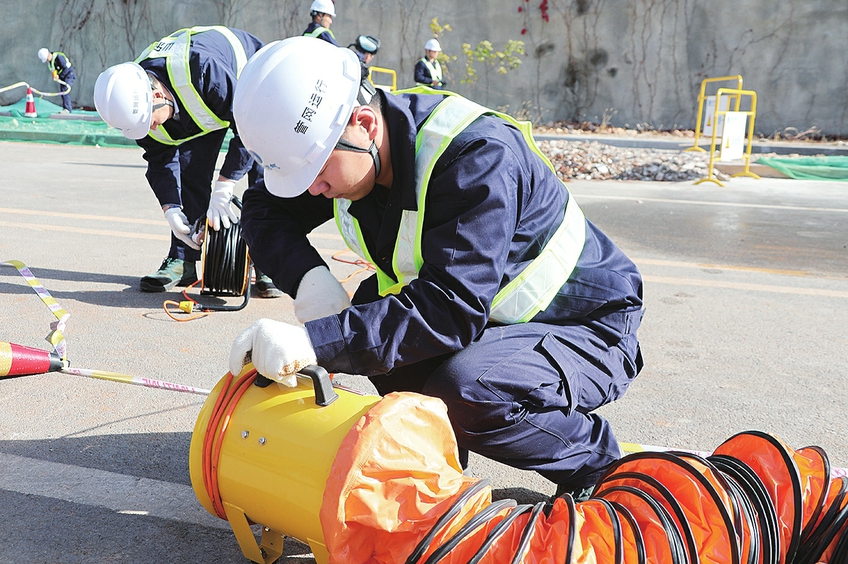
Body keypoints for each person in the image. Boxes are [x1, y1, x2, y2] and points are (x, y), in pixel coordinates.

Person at [228, 37, 645, 500]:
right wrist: (311, 283)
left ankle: (607, 470)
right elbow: (265, 212)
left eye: (314, 173)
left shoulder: (475, 157)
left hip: (588, 327)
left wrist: (317, 341)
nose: (311, 191)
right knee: (372, 319)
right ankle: (438, 469)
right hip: (495, 320)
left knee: (467, 388)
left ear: (363, 124)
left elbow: (450, 308)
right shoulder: (349, 154)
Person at [93, 25, 282, 297]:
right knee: (192, 169)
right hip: (199, 103)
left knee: (263, 171)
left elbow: (251, 130)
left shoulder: (206, 71)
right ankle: (183, 258)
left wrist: (225, 185)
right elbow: (159, 158)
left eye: (151, 122)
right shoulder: (135, 101)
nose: (153, 130)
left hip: (249, 82)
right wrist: (171, 210)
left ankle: (267, 260)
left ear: (158, 95)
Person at [38, 47, 77, 112]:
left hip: (69, 75)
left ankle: (67, 109)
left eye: (47, 59)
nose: (47, 61)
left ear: (48, 55)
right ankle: (66, 108)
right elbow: (54, 70)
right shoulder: (51, 62)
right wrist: (55, 75)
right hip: (63, 77)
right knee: (63, 91)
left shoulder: (59, 57)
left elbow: (65, 68)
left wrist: (59, 76)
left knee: (65, 90)